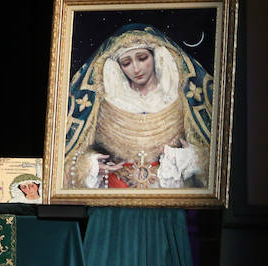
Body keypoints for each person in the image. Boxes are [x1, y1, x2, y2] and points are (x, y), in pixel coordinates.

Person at [63, 23, 212, 189]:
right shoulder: (104, 102)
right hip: (116, 193)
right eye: (126, 63)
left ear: (156, 56)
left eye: (142, 58)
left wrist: (192, 157)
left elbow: (211, 153)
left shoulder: (179, 98)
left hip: (167, 196)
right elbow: (71, 153)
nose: (136, 68)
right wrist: (90, 165)